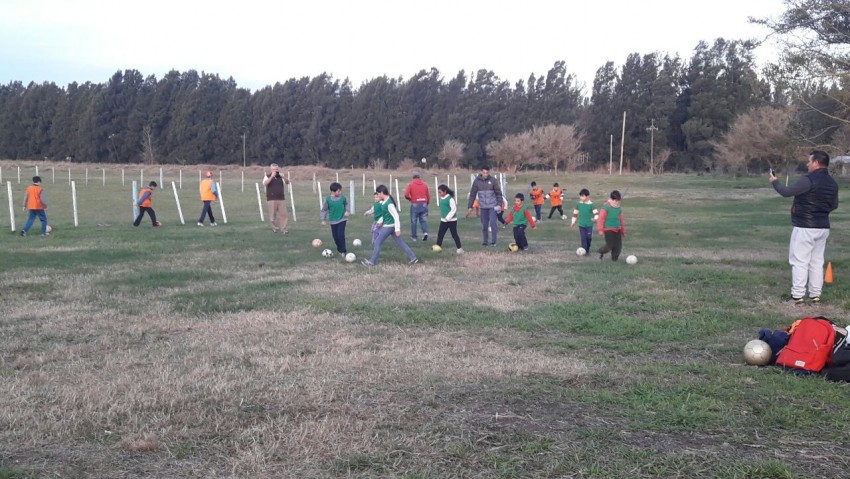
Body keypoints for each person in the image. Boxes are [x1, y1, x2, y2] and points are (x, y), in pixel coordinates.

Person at [770, 150, 839, 305]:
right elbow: (833, 205)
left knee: (800, 261)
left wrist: (775, 181)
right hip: (823, 227)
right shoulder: (832, 183)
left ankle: (798, 296)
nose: (808, 164)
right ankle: (815, 295)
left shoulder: (807, 180)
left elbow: (786, 192)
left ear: (815, 162)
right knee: (816, 262)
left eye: (809, 161)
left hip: (804, 226)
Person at [362, 185, 418, 266]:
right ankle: (413, 258)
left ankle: (371, 262)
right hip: (390, 226)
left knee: (377, 242)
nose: (377, 196)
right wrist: (380, 221)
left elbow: (396, 216)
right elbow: (385, 215)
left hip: (389, 227)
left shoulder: (389, 204)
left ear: (381, 193)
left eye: (378, 194)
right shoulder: (384, 202)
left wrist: (397, 229)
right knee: (400, 242)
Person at [466, 165, 504, 247]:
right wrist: (470, 207)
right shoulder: (476, 181)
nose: (485, 174)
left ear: (489, 173)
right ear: (481, 172)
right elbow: (472, 194)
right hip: (483, 207)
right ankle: (485, 241)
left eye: (487, 173)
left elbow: (498, 193)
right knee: (484, 225)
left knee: (493, 223)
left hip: (493, 206)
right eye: (484, 173)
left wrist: (499, 204)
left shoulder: (493, 180)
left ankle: (494, 242)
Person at [320, 182, 350, 256]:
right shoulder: (327, 199)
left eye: (340, 191)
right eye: (338, 191)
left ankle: (343, 251)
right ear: (333, 191)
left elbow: (346, 204)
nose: (340, 192)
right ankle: (339, 249)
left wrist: (347, 211)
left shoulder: (343, 198)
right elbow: (324, 210)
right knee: (335, 237)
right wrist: (323, 219)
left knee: (340, 235)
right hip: (333, 221)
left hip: (342, 219)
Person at [597, 190, 625, 261]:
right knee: (610, 245)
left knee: (618, 246)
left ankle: (614, 259)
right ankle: (601, 251)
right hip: (608, 230)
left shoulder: (618, 209)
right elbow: (601, 219)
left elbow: (621, 220)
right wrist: (600, 230)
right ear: (612, 199)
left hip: (617, 229)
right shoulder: (606, 207)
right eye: (616, 201)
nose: (618, 202)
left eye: (619, 201)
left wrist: (622, 230)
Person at [262, 163, 290, 235]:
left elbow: (287, 182)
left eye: (277, 169)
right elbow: (265, 184)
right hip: (271, 199)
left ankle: (284, 229)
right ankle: (275, 227)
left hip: (281, 198)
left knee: (284, 215)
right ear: (271, 170)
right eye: (274, 169)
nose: (276, 171)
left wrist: (284, 177)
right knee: (272, 216)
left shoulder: (280, 176)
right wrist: (271, 177)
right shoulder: (267, 176)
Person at [435, 184, 463, 254]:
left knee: (454, 234)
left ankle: (459, 248)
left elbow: (453, 209)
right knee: (440, 234)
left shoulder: (450, 199)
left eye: (440, 192)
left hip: (452, 221)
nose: (439, 194)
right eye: (438, 192)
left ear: (445, 192)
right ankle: (438, 248)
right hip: (443, 220)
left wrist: (448, 217)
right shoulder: (441, 198)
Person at [570, 188, 599, 255]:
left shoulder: (591, 205)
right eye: (580, 196)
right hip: (581, 225)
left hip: (589, 225)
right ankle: (584, 250)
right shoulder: (578, 204)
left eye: (582, 196)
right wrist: (573, 222)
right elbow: (575, 213)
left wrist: (595, 219)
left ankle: (587, 249)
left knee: (588, 238)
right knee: (583, 238)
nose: (581, 197)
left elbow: (596, 214)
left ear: (587, 196)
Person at [404, 171, 430, 241]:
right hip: (424, 203)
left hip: (415, 203)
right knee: (423, 220)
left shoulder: (411, 184)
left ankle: (414, 237)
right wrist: (427, 203)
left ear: (413, 177)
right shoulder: (424, 185)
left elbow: (406, 194)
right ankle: (425, 233)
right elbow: (428, 196)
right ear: (419, 177)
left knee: (414, 221)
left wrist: (410, 199)